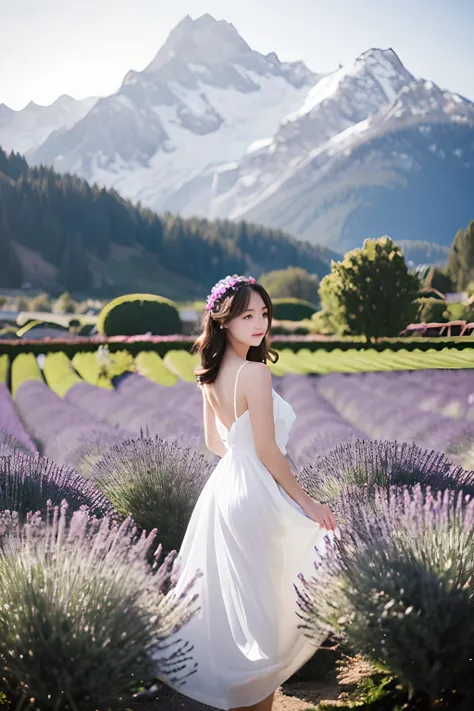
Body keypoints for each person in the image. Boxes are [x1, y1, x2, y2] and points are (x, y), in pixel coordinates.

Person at [156, 274, 336, 711]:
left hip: (224, 491)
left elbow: (214, 444)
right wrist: (307, 502)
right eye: (247, 315)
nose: (259, 322)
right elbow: (268, 451)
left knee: (239, 612)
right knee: (264, 617)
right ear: (224, 320)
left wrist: (240, 458)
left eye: (263, 313)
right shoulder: (255, 371)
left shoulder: (210, 372)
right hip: (253, 491)